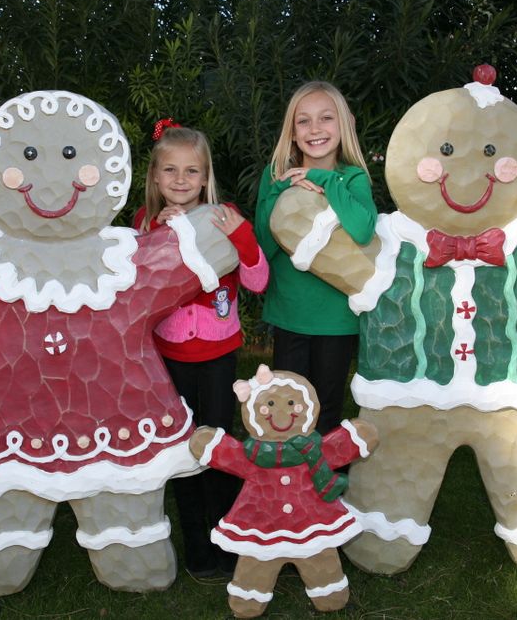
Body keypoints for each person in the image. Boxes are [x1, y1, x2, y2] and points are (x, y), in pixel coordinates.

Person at [133, 119, 269, 578]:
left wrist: (242, 237)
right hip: (168, 358)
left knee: (220, 447)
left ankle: (229, 536)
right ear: (155, 176)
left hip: (218, 358)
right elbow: (134, 286)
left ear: (206, 176)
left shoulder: (222, 218)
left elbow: (257, 280)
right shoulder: (144, 223)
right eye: (170, 170)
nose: (180, 181)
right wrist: (156, 234)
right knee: (184, 452)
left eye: (191, 172)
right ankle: (196, 543)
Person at [254, 81, 378, 435]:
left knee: (326, 413)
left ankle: (325, 487)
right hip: (290, 313)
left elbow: (363, 229)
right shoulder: (275, 174)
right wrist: (284, 189)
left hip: (337, 318)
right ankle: (287, 486)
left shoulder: (352, 178)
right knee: (285, 414)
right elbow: (265, 243)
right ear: (292, 132)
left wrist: (322, 178)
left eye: (326, 118)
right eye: (303, 121)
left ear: (343, 125)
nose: (315, 129)